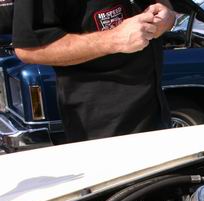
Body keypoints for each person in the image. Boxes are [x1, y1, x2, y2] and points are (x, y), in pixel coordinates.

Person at [12, 1, 176, 144]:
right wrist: (113, 39)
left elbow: (165, 6)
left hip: (157, 115)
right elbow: (29, 48)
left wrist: (168, 16)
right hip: (102, 132)